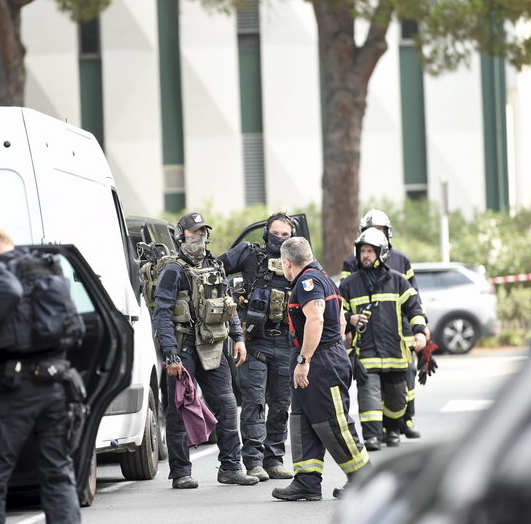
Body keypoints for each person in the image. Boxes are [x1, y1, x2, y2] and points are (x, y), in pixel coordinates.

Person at [0, 223, 82, 524]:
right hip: (57, 386)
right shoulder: (41, 265)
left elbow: (9, 293)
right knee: (58, 475)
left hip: (16, 390)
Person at [153, 212, 259, 489]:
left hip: (213, 345)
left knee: (226, 405)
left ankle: (231, 467)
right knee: (178, 410)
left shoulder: (216, 266)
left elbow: (229, 304)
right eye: (192, 234)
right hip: (183, 346)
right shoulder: (173, 270)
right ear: (181, 238)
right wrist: (170, 354)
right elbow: (162, 314)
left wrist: (238, 337)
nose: (198, 239)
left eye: (202, 233)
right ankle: (180, 472)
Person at [271, 237, 370, 501]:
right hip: (322, 356)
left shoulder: (307, 282)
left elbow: (315, 319)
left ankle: (365, 480)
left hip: (319, 361)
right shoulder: (324, 278)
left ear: (287, 263)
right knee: (303, 420)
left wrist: (305, 360)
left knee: (333, 423)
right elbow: (338, 321)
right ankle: (307, 481)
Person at [218, 213, 296, 482]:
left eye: (286, 235)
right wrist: (231, 301)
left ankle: (273, 460)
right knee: (253, 402)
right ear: (266, 233)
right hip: (253, 342)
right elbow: (215, 273)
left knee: (280, 405)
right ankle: (253, 462)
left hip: (286, 343)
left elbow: (318, 287)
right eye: (276, 234)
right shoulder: (248, 254)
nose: (281, 240)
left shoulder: (299, 260)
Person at [340, 208, 428, 440]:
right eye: (363, 250)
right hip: (366, 345)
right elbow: (340, 307)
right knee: (369, 393)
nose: (366, 254)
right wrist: (349, 322)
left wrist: (420, 330)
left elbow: (414, 302)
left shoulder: (398, 273)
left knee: (399, 394)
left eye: (371, 250)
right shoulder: (349, 278)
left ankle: (396, 426)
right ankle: (372, 435)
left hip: (396, 343)